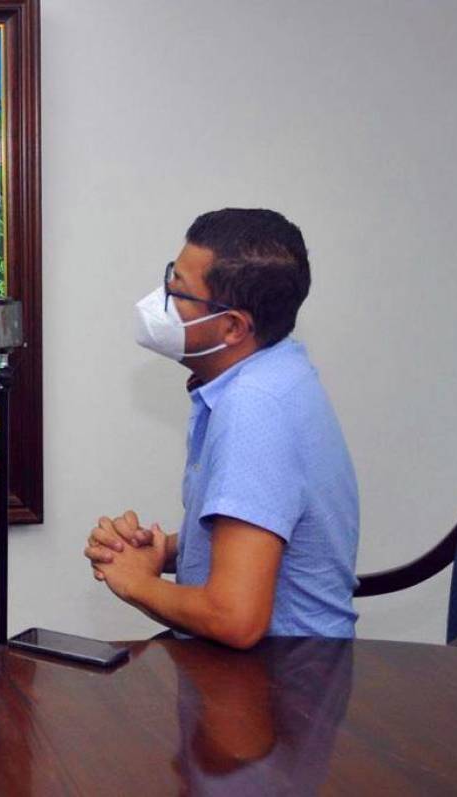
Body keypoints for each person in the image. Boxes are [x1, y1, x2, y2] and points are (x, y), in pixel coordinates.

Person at [85, 208, 358, 648]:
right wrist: (163, 550)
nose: (163, 300)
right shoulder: (273, 372)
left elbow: (235, 618)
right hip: (276, 671)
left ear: (233, 327)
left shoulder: (256, 408)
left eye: (180, 291)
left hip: (284, 685)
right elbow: (264, 534)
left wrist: (135, 582)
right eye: (170, 277)